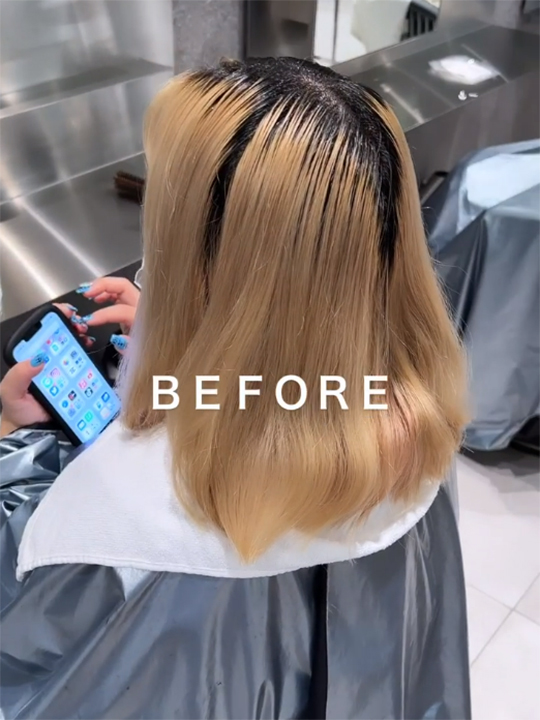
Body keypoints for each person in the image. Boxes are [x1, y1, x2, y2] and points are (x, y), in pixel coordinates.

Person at [0, 57, 470, 719]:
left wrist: (16, 433)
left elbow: (27, 667)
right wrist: (187, 340)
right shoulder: (416, 423)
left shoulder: (110, 530)